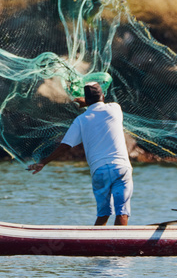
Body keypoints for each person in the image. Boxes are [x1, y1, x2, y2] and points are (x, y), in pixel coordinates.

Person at [27, 82, 133, 226]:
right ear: (102, 95)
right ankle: (119, 245)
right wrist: (89, 102)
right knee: (122, 211)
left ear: (86, 101)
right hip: (121, 168)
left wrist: (44, 162)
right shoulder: (115, 109)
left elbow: (64, 146)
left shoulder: (81, 120)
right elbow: (99, 103)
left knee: (104, 213)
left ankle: (94, 245)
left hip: (99, 170)